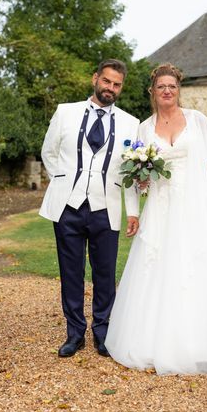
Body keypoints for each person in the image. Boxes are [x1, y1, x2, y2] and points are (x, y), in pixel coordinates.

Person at [105, 63, 207, 374]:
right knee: (159, 265)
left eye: (172, 86)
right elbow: (137, 173)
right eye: (161, 86)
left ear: (178, 90)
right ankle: (158, 342)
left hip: (198, 202)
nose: (167, 91)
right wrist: (144, 189)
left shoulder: (197, 120)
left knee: (204, 262)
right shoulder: (144, 128)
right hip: (161, 207)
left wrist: (197, 186)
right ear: (152, 91)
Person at [40, 59, 140, 358]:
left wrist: (132, 211)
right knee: (70, 272)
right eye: (107, 81)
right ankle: (74, 333)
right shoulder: (65, 112)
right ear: (95, 79)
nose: (111, 88)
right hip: (68, 208)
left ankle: (102, 331)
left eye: (117, 84)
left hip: (105, 208)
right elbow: (49, 151)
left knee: (105, 273)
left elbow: (131, 172)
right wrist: (62, 182)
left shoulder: (130, 123)